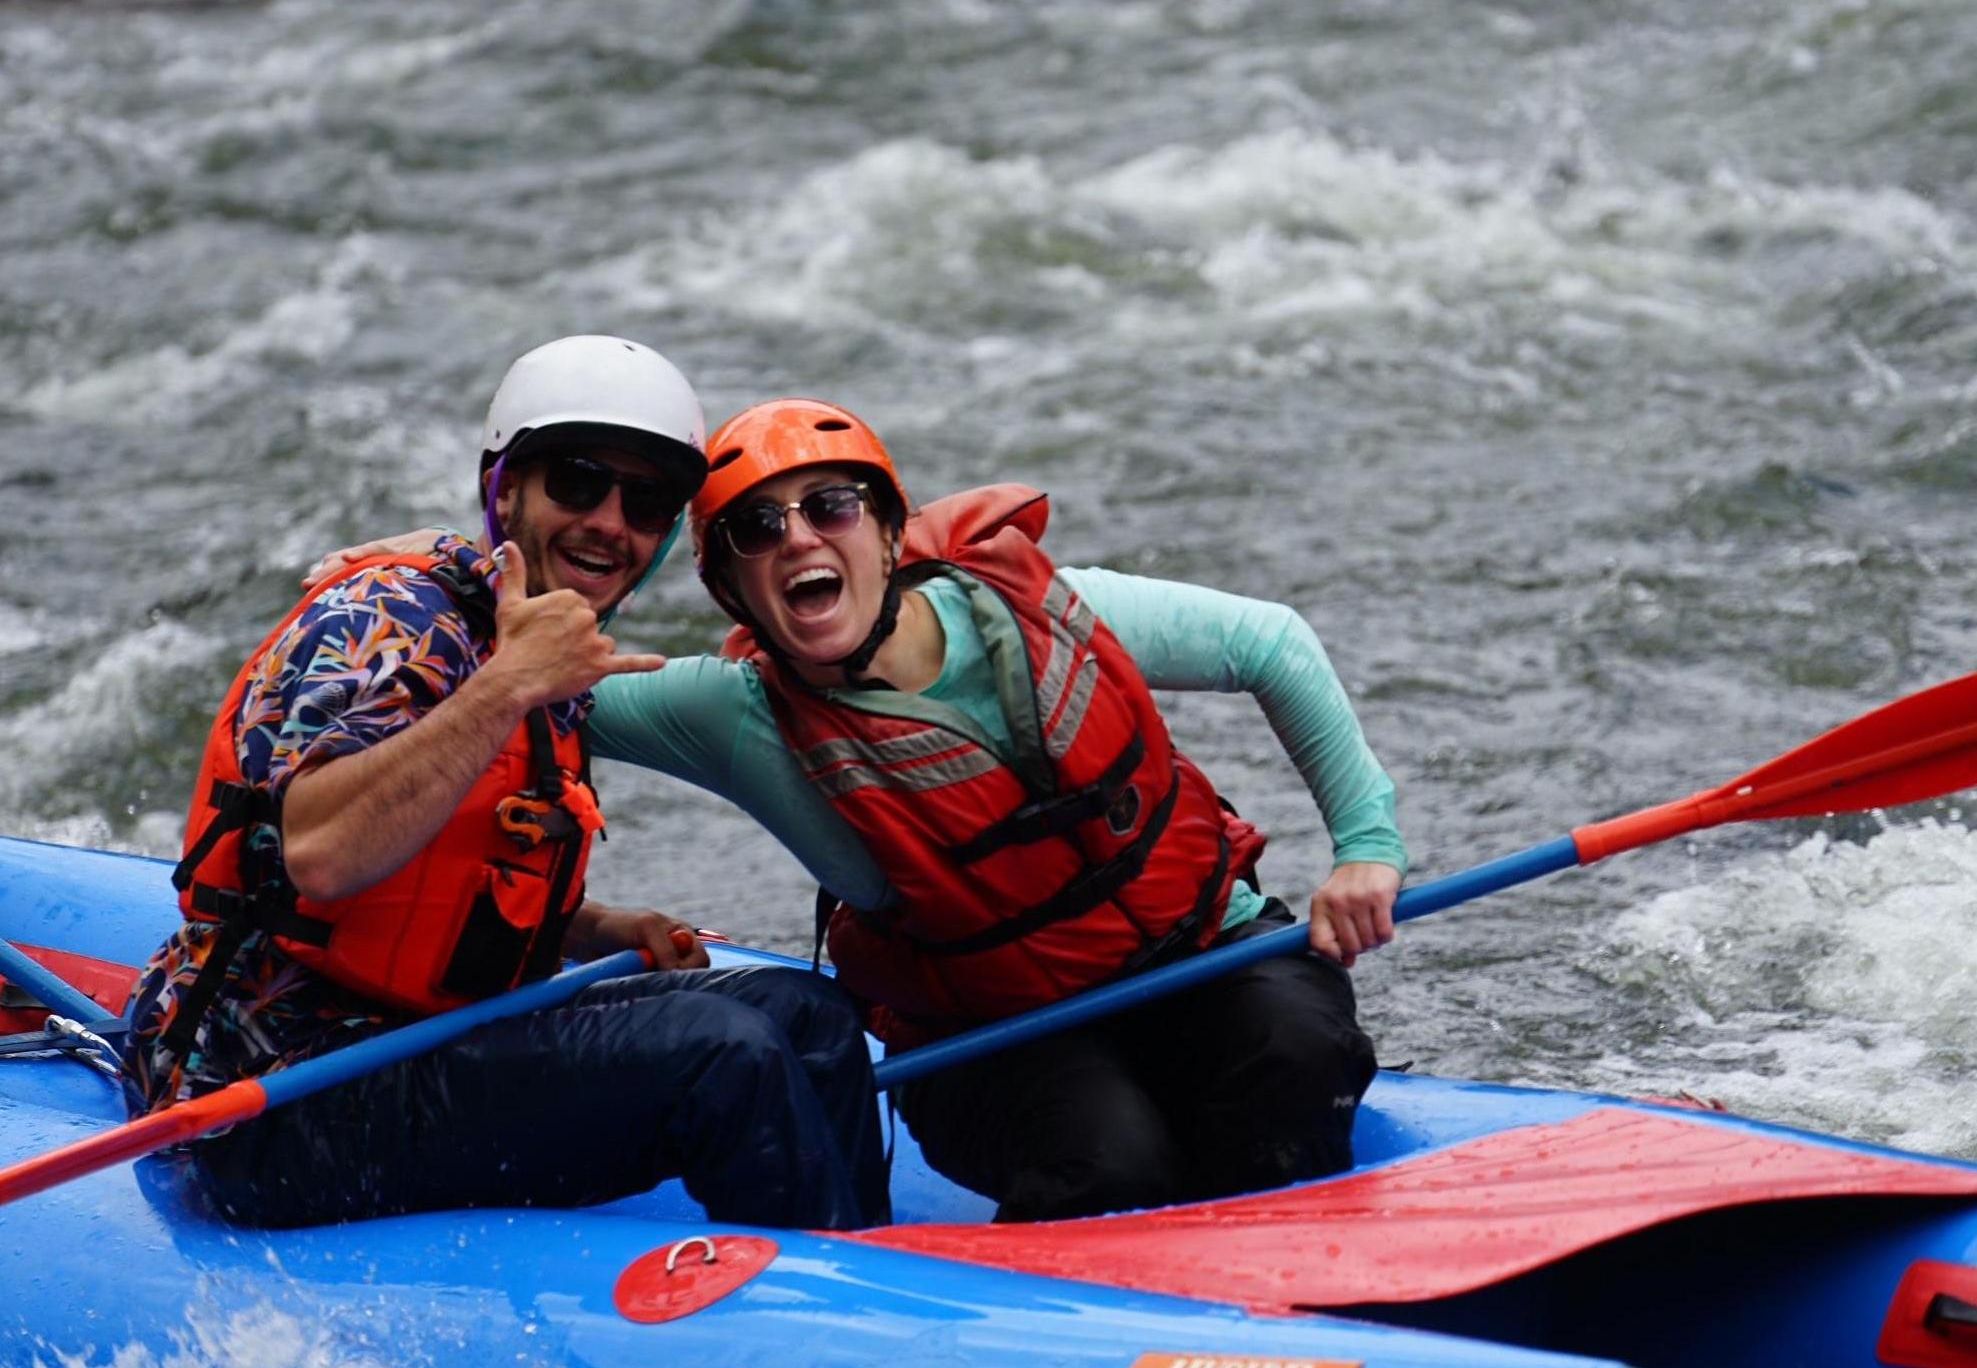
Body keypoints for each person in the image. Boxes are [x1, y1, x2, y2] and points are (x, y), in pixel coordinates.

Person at [311, 399, 1406, 1223]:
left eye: (830, 508)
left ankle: (1293, 1284)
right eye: (755, 530)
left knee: (1298, 1053)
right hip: (1000, 1037)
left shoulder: (1052, 612)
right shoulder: (729, 711)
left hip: (1198, 955)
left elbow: (1274, 643)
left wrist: (1365, 848)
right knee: (1109, 1165)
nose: (797, 538)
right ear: (734, 592)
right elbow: (518, 677)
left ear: (890, 535)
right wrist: (438, 569)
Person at [124, 339, 890, 1232]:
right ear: (506, 487)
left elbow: (441, 873)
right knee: (725, 1053)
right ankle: (818, 1331)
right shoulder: (386, 623)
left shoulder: (539, 638)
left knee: (808, 1013)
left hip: (424, 1042)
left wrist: (595, 926)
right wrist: (508, 685)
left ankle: (869, 1263)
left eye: (643, 501)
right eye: (576, 480)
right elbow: (320, 859)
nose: (610, 521)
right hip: (274, 1096)